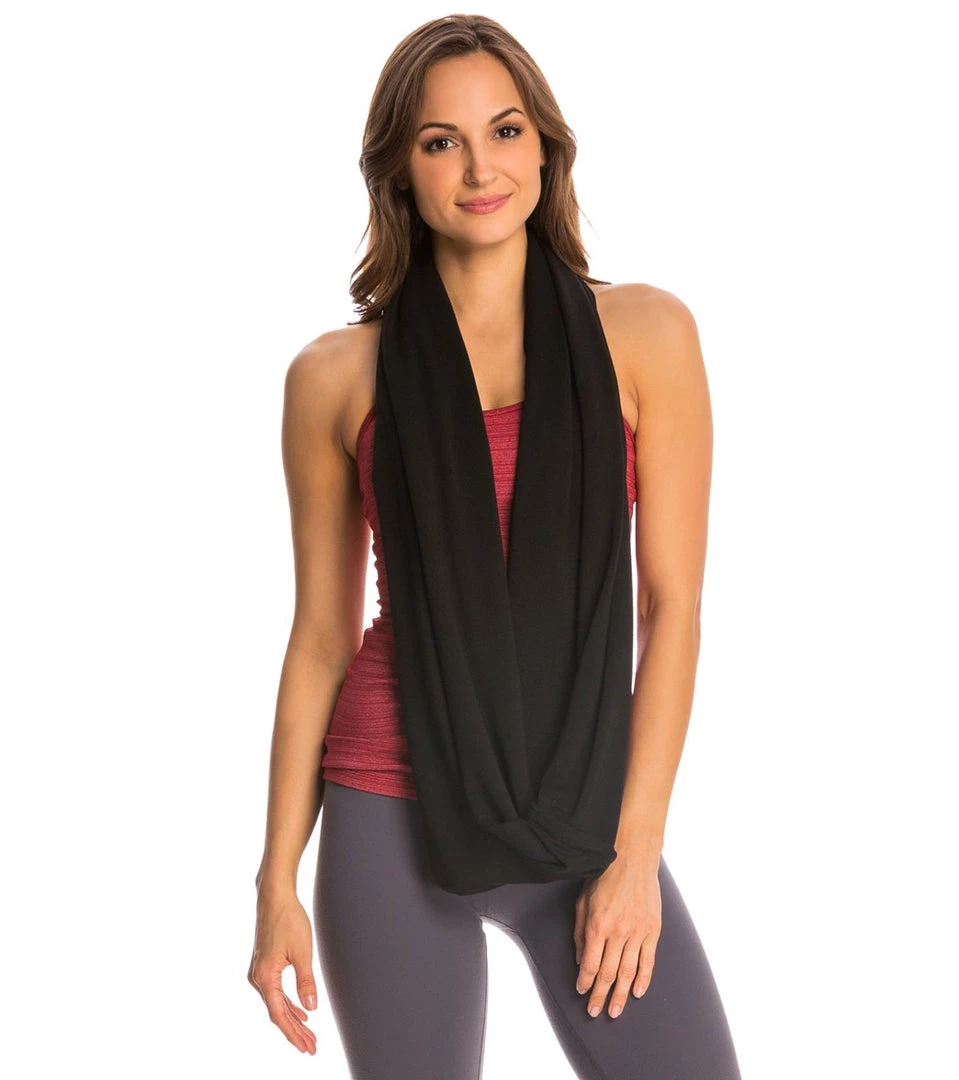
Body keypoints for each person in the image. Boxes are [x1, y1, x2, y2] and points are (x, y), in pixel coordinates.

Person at [248, 14, 742, 1079]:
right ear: (398, 170)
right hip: (389, 799)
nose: (481, 169)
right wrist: (275, 882)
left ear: (544, 147)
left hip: (582, 809)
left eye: (505, 130)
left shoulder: (645, 334)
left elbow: (671, 608)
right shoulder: (334, 376)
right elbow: (321, 638)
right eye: (442, 142)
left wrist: (636, 852)